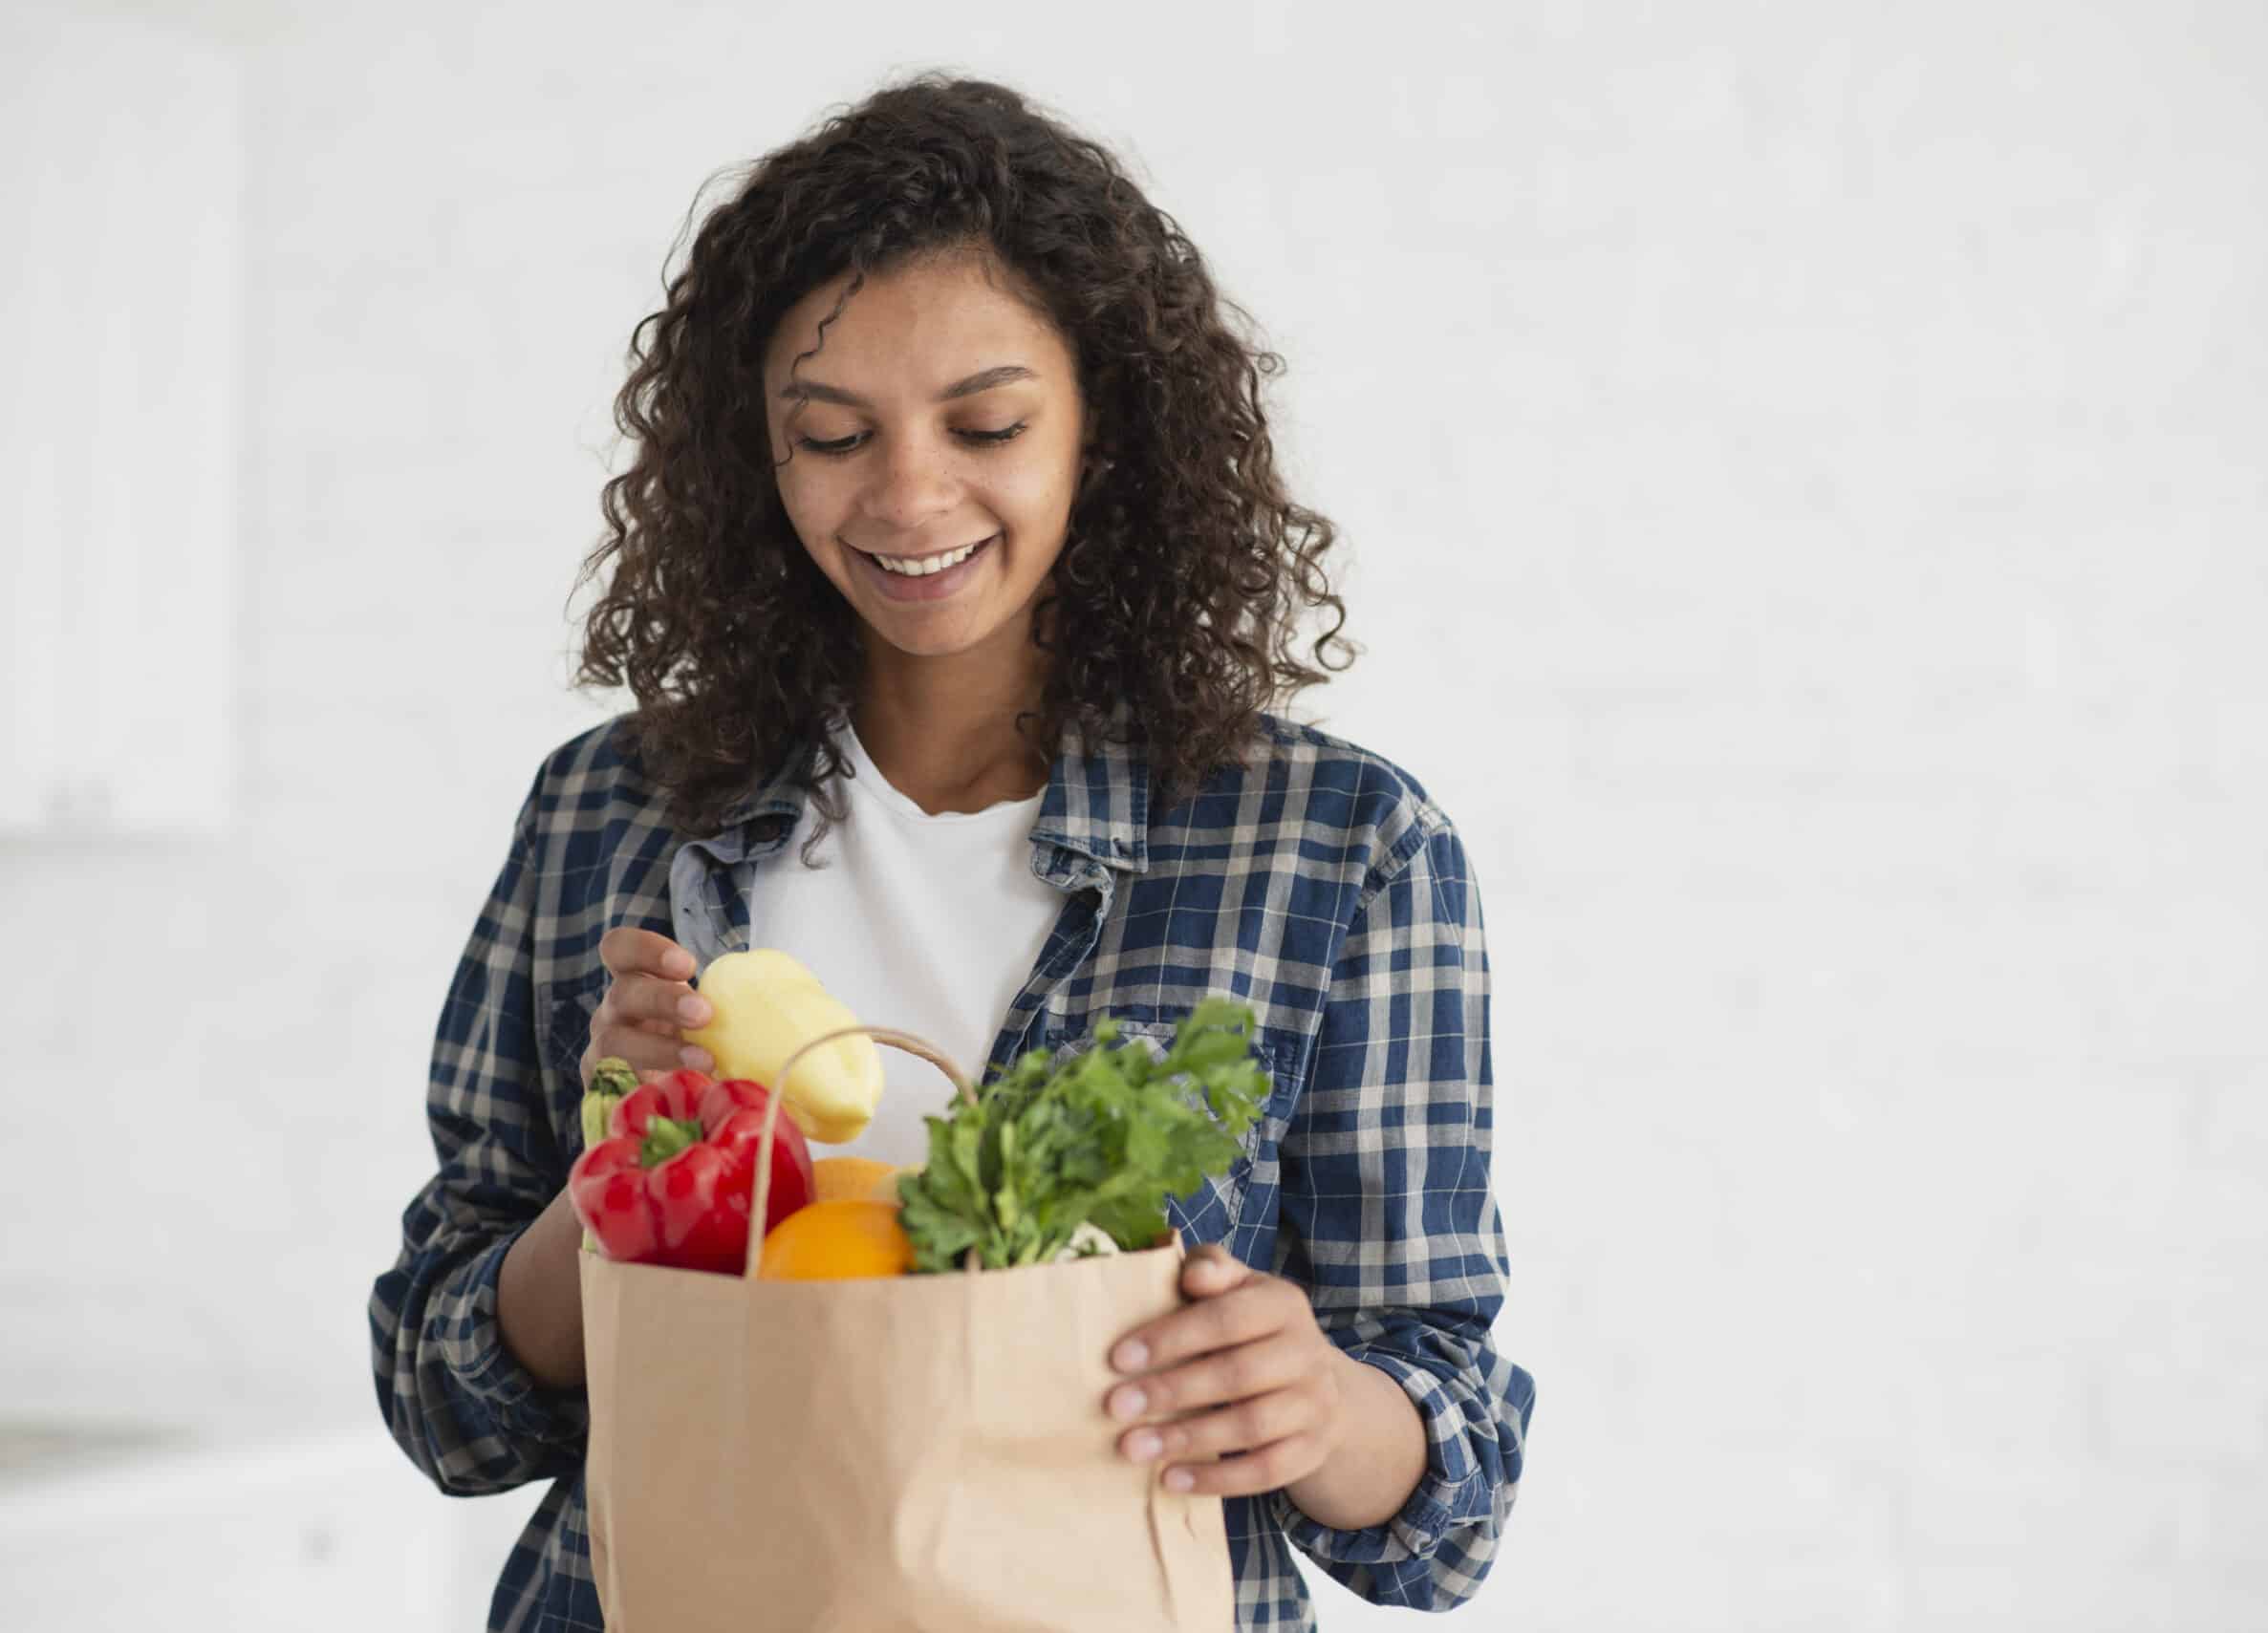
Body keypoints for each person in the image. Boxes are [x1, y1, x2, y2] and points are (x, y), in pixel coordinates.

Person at [369, 72, 1533, 1632]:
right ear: (755, 458)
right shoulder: (611, 812)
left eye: (986, 422)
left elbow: (1447, 1506)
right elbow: (441, 1401)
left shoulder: (1336, 848)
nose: (909, 494)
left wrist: (1315, 1404)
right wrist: (619, 1192)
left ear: (1101, 427)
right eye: (833, 434)